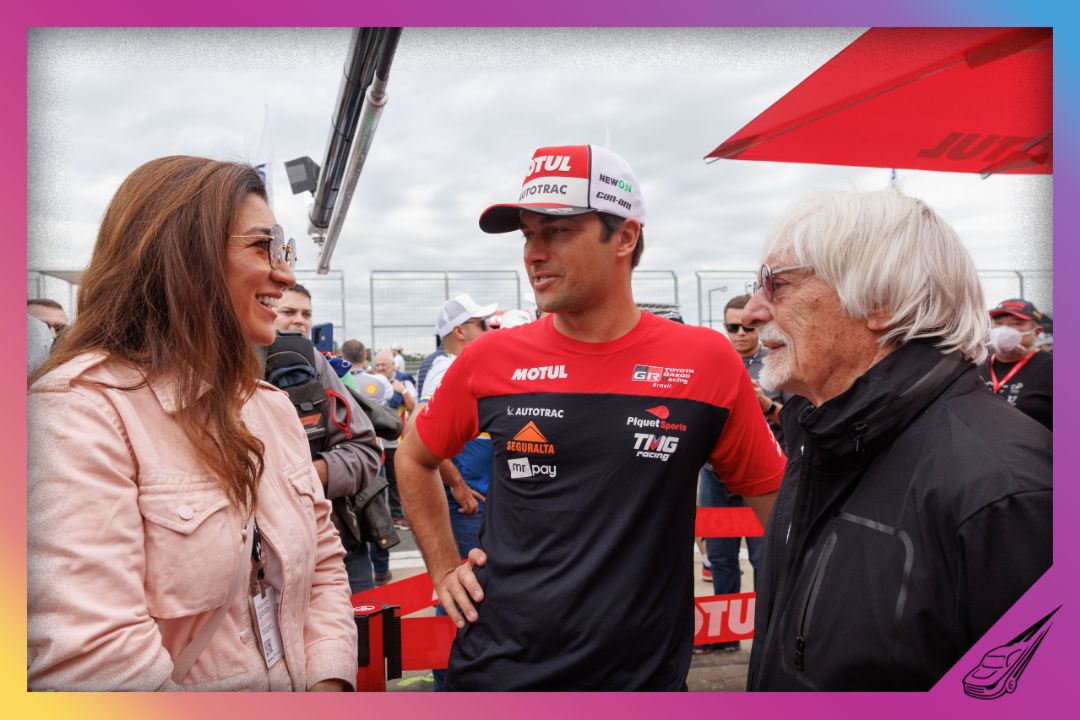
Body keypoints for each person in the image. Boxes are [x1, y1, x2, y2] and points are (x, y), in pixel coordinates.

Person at [396, 144, 784, 691]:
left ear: (624, 237)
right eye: (528, 234)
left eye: (556, 231)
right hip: (497, 671)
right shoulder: (490, 358)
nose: (533, 253)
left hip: (640, 680)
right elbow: (414, 457)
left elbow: (776, 505)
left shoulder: (707, 362)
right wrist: (441, 567)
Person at [27, 156, 357, 691]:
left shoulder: (269, 407)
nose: (287, 274)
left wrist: (328, 683)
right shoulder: (75, 413)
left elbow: (323, 562)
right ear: (184, 257)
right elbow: (94, 663)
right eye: (262, 247)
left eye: (285, 249)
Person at [742, 189, 1051, 692]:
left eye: (776, 285)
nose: (754, 312)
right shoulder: (821, 435)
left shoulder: (1007, 491)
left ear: (880, 302)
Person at [270, 286, 385, 596]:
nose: (299, 322)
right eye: (288, 312)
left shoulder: (318, 364)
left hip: (336, 539)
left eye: (306, 314)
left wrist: (300, 478)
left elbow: (365, 451)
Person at [421, 293, 498, 691]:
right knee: (457, 592)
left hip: (473, 500)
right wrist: (458, 485)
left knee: (469, 591)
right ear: (461, 330)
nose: (489, 330)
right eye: (483, 324)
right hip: (463, 504)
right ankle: (449, 684)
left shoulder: (454, 365)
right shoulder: (444, 370)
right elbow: (419, 438)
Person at [695, 294, 773, 654]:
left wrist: (767, 406)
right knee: (721, 559)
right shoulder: (713, 363)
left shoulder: (776, 364)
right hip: (714, 476)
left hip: (760, 476)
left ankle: (768, 635)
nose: (741, 333)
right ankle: (722, 638)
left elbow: (797, 418)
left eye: (747, 326)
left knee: (764, 558)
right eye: (732, 327)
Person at [977, 298, 1053, 430]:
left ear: (1037, 332)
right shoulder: (978, 365)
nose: (1004, 331)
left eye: (1017, 323)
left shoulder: (1052, 368)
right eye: (999, 323)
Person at [375, 348, 416, 530]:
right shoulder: (372, 381)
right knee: (376, 483)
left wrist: (403, 390)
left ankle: (397, 516)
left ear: (393, 365)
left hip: (395, 442)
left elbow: (413, 407)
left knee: (395, 480)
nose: (380, 368)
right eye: (377, 365)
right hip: (375, 442)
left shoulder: (403, 380)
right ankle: (379, 519)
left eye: (384, 364)